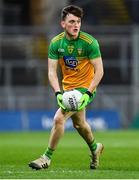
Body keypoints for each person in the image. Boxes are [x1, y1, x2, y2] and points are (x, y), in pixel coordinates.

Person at [29, 5, 104, 170]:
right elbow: (51, 72)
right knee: (80, 125)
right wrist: (58, 93)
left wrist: (88, 94)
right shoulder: (56, 43)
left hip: (85, 88)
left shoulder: (89, 43)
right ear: (63, 24)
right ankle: (95, 149)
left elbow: (99, 71)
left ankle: (46, 158)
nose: (76, 25)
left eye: (78, 21)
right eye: (72, 21)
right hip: (68, 89)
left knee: (58, 118)